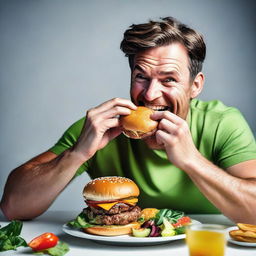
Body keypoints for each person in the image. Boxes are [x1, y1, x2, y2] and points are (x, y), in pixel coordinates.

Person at [1, 17, 256, 223]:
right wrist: (77, 153)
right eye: (141, 76)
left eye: (168, 79)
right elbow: (13, 207)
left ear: (195, 86)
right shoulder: (100, 128)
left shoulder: (222, 123)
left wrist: (191, 160)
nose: (150, 94)